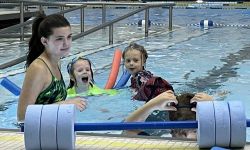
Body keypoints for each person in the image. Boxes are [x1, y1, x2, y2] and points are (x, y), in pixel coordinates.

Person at [17, 13, 87, 122]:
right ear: (44, 41)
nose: (66, 43)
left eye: (69, 37)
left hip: (51, 131)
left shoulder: (56, 62)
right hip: (37, 135)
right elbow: (22, 115)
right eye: (59, 39)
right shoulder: (39, 68)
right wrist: (64, 104)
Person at [123, 91, 213, 138]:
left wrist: (151, 105)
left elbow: (128, 129)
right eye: (182, 132)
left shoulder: (160, 144)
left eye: (194, 131)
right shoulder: (216, 143)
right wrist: (214, 107)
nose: (188, 136)